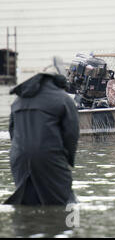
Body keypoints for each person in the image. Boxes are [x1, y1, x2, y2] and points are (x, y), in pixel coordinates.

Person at [5, 73, 79, 205]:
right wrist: (68, 160)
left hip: (18, 159)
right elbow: (71, 134)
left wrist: (21, 152)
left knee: (27, 205)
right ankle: (69, 225)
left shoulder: (18, 101)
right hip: (49, 156)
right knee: (68, 205)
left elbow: (12, 131)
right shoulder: (63, 99)